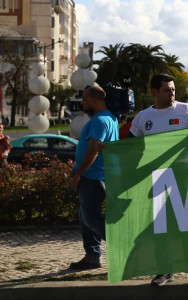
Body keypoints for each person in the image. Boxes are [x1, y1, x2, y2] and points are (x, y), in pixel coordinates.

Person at [127, 73, 188, 292]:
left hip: (184, 177)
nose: (172, 93)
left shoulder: (186, 110)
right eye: (167, 89)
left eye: (173, 89)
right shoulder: (143, 117)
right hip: (155, 180)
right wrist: (107, 149)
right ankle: (164, 270)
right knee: (160, 228)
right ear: (155, 92)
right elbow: (129, 146)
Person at [68, 85, 119, 271]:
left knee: (89, 217)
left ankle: (120, 242)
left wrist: (79, 173)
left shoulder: (100, 120)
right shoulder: (109, 118)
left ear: (95, 99)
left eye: (85, 99)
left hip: (92, 176)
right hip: (99, 174)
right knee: (85, 216)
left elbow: (94, 148)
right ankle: (92, 257)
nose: (83, 102)